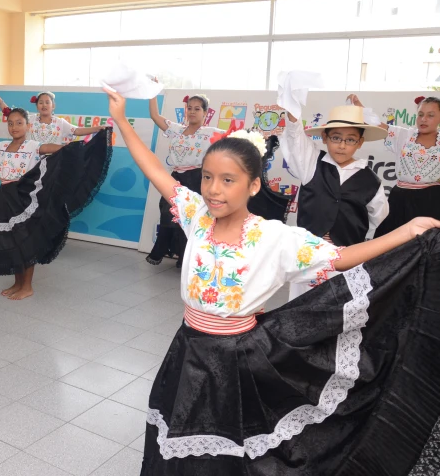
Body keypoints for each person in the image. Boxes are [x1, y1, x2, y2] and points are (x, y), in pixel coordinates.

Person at [105, 87, 440, 475]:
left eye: (228, 180)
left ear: (253, 185)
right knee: (179, 431)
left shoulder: (273, 236)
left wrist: (406, 231)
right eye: (209, 177)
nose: (214, 189)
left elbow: (341, 257)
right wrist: (121, 119)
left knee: (230, 441)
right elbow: (154, 169)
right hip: (187, 347)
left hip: (236, 355)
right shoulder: (196, 213)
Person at [0, 107, 111, 300]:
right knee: (10, 239)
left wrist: (89, 142)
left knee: (24, 241)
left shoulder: (33, 146)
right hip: (5, 197)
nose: (14, 127)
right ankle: (17, 283)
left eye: (19, 123)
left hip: (24, 199)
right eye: (10, 123)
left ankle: (27, 286)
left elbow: (61, 149)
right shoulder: (1, 146)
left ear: (28, 126)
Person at [280, 102, 388, 300]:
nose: (342, 145)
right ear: (325, 138)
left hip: (348, 255)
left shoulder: (370, 180)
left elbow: (378, 217)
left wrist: (359, 245)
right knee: (304, 303)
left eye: (350, 140)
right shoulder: (312, 164)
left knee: (340, 305)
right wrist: (292, 111)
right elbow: (295, 139)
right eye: (336, 138)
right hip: (309, 254)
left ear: (360, 143)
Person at [146, 89, 219, 266]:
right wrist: (152, 92)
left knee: (190, 218)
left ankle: (186, 259)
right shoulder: (176, 130)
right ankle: (161, 251)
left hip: (196, 179)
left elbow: (237, 138)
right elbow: (155, 116)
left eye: (197, 108)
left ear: (205, 112)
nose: (192, 112)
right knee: (167, 213)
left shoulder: (211, 133)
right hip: (175, 177)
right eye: (190, 108)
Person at [350, 95, 440, 238]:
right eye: (420, 114)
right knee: (391, 242)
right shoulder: (403, 135)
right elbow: (376, 124)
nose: (423, 119)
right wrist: (359, 106)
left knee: (428, 245)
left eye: (430, 115)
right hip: (401, 199)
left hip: (432, 200)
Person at [0, 89, 107, 145]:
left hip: (53, 163)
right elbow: (9, 112)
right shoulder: (29, 119)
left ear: (53, 106)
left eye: (47, 102)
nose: (44, 105)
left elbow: (77, 131)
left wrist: (97, 128)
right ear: (37, 106)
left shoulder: (60, 123)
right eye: (41, 102)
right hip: (30, 162)